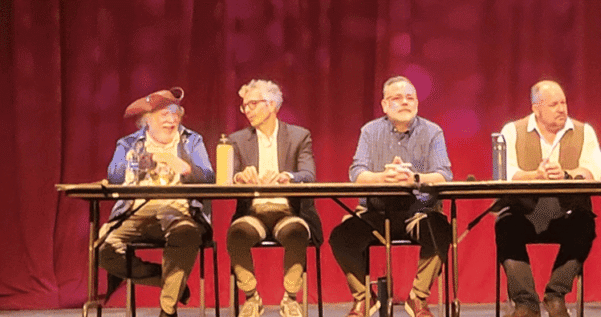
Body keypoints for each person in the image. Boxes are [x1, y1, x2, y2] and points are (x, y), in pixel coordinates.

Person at [329, 76, 453, 317]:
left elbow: (444, 175)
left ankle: (418, 297)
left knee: (440, 230)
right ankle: (364, 298)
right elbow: (357, 173)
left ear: (417, 103)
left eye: (410, 98)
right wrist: (382, 177)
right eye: (397, 98)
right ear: (384, 105)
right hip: (375, 213)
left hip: (419, 212)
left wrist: (413, 179)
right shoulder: (370, 131)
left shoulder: (433, 131)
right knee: (341, 237)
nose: (404, 102)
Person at [100, 87, 214, 317]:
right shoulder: (128, 143)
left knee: (187, 233)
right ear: (146, 121)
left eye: (176, 114)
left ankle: (167, 308)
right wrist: (148, 158)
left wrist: (184, 166)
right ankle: (171, 281)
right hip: (137, 211)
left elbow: (209, 177)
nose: (172, 120)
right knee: (103, 248)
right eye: (165, 115)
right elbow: (114, 177)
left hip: (178, 210)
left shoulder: (192, 140)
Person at [494, 80, 601, 317]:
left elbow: (592, 171)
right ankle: (526, 303)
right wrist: (535, 175)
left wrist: (566, 175)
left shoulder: (584, 132)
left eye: (563, 102)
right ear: (536, 108)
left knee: (585, 224)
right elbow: (504, 173)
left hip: (567, 213)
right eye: (554, 104)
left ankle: (555, 295)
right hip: (524, 212)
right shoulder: (512, 131)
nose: (562, 109)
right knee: (505, 225)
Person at [226, 79, 323, 317]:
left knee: (296, 232)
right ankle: (251, 297)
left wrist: (287, 177)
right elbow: (228, 178)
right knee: (237, 233)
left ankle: (290, 298)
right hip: (254, 213)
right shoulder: (237, 140)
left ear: (271, 106)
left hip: (288, 212)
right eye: (244, 106)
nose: (247, 110)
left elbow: (308, 175)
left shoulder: (299, 136)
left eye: (252, 104)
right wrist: (239, 177)